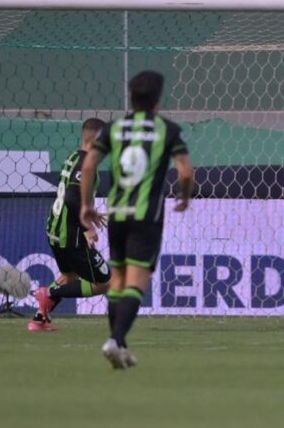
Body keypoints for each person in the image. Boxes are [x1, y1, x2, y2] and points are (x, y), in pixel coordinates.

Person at [79, 70, 194, 369]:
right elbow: (185, 172)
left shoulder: (115, 128)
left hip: (117, 213)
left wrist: (86, 205)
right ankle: (115, 340)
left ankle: (121, 347)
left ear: (131, 97)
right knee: (136, 283)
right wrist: (184, 196)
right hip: (146, 217)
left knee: (117, 281)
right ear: (158, 100)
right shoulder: (167, 129)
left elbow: (88, 165)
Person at [31, 118, 110, 332]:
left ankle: (39, 319)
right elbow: (72, 197)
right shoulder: (87, 164)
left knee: (69, 276)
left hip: (55, 229)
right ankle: (48, 293)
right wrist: (88, 227)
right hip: (70, 235)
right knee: (104, 282)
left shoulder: (73, 157)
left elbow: (71, 194)